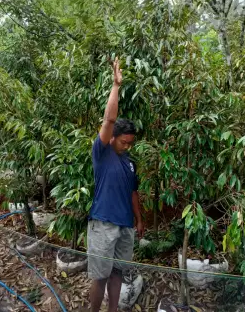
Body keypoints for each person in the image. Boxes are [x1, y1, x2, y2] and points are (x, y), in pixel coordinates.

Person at [88, 57, 144, 312]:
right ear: (112, 139)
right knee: (99, 275)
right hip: (103, 223)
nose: (127, 146)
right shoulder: (102, 153)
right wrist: (116, 86)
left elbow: (133, 192)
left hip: (125, 226)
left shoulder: (129, 163)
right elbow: (109, 121)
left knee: (117, 273)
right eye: (124, 142)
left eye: (131, 143)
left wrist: (139, 219)